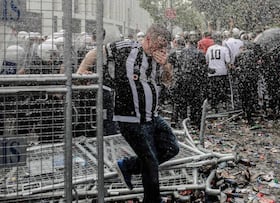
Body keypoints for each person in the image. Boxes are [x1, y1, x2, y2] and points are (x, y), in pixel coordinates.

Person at [111, 24, 179, 203]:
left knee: (172, 148)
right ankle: (152, 200)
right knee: (150, 161)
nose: (160, 50)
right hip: (130, 117)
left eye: (164, 47)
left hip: (152, 116)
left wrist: (165, 65)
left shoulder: (159, 58)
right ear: (148, 40)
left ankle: (128, 166)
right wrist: (80, 71)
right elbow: (95, 53)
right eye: (158, 46)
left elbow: (168, 81)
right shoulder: (127, 48)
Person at [76, 29, 118, 136]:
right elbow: (79, 74)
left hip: (103, 94)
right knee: (101, 124)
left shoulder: (99, 52)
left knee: (103, 124)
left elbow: (79, 74)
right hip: (97, 94)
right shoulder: (95, 52)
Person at [170, 30, 208, 129]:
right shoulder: (199, 54)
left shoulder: (182, 53)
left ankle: (183, 121)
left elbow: (178, 66)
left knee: (183, 102)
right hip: (194, 81)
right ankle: (195, 123)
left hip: (183, 80)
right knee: (195, 103)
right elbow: (203, 69)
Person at [205, 31, 230, 112]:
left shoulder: (209, 49)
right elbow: (227, 60)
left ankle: (213, 105)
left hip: (212, 72)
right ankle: (223, 104)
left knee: (213, 89)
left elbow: (207, 60)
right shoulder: (224, 49)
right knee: (222, 88)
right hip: (222, 71)